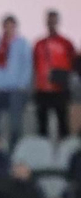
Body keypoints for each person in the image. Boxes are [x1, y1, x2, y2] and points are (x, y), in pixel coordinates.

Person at [0, 15, 33, 145]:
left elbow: (27, 66)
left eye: (11, 26)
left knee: (15, 123)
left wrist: (22, 84)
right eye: (6, 26)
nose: (8, 29)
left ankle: (15, 149)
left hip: (15, 88)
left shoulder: (22, 43)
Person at [33, 10, 76, 140]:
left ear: (57, 22)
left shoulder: (66, 43)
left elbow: (73, 63)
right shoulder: (39, 44)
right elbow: (35, 64)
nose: (51, 23)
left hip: (60, 89)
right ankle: (42, 151)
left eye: (53, 20)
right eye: (49, 20)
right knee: (42, 125)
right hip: (42, 89)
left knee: (63, 124)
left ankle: (65, 153)